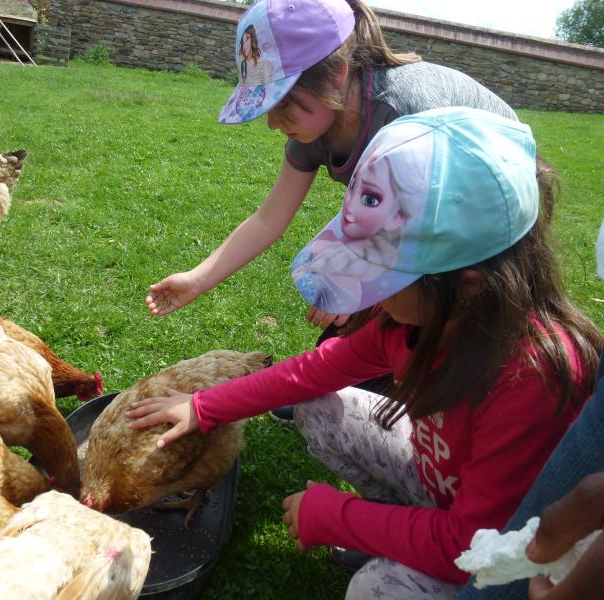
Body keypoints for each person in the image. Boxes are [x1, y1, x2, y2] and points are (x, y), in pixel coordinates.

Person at [129, 108, 604, 599]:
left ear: (467, 285)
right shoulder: (413, 321)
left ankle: (393, 539)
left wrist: (337, 516)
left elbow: (469, 545)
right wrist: (204, 406)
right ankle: (396, 530)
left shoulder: (528, 378)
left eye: (386, 277)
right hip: (442, 484)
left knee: (376, 589)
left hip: (498, 552)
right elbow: (315, 372)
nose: (370, 295)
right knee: (315, 406)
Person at [144, 0, 519, 423]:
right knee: (357, 323)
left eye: (282, 102)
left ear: (337, 74)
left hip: (482, 215)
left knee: (433, 325)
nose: (272, 123)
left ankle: (440, 403)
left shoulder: (403, 116)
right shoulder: (317, 124)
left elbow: (427, 231)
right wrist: (198, 279)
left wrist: (360, 287)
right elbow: (270, 218)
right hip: (414, 222)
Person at [455, 220, 604, 600]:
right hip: (455, 507)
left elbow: (463, 534)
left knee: (499, 581)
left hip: (462, 532)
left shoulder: (530, 373)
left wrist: (336, 516)